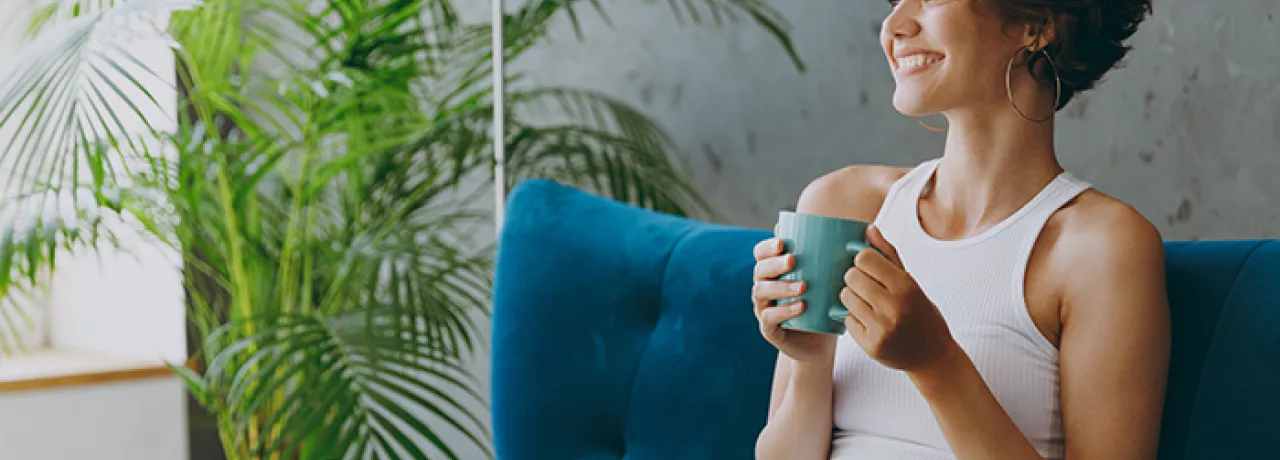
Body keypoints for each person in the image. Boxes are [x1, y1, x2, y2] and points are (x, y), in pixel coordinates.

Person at [750, 0, 1170, 459]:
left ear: (1039, 24)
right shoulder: (843, 204)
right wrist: (811, 360)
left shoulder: (1101, 249)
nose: (894, 25)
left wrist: (938, 364)